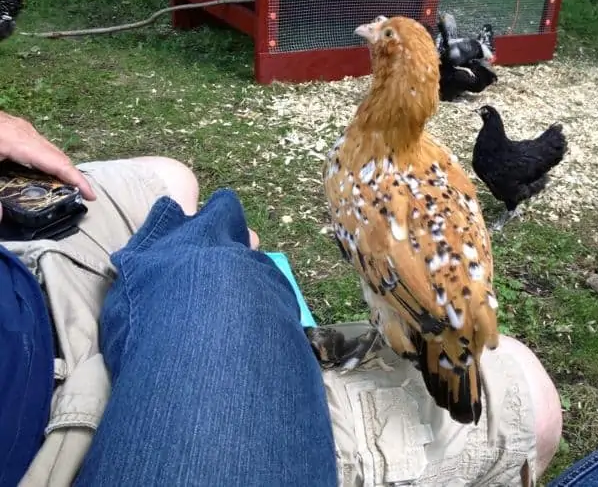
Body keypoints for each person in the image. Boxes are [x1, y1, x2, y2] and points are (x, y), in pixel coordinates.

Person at [1, 110, 563, 486]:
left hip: (21, 281)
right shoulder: (373, 183)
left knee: (172, 183)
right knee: (532, 393)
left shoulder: (421, 167)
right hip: (28, 417)